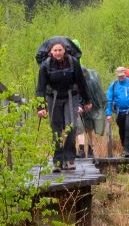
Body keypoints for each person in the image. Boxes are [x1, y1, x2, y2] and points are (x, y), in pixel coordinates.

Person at [36, 42, 92, 172]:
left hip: (70, 97)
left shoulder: (73, 63)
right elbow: (40, 88)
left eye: (60, 50)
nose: (57, 53)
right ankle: (57, 161)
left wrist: (87, 100)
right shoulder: (46, 65)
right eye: (55, 50)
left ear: (65, 51)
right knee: (56, 129)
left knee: (71, 127)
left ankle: (69, 158)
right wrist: (41, 107)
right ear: (51, 51)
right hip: (53, 98)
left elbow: (81, 83)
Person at [105, 66, 129, 158]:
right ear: (116, 76)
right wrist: (108, 113)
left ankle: (127, 150)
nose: (121, 78)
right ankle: (125, 146)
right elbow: (109, 99)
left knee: (128, 128)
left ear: (125, 75)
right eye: (119, 76)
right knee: (122, 130)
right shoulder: (114, 85)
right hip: (120, 111)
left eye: (122, 76)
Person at [77, 67, 105, 158]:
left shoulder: (89, 83)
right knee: (85, 129)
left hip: (89, 109)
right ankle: (87, 150)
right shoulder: (85, 82)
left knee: (87, 129)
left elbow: (96, 98)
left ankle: (88, 150)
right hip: (84, 108)